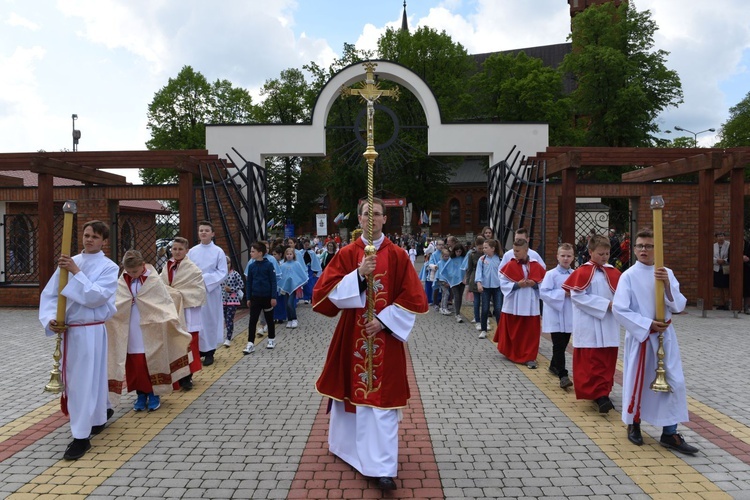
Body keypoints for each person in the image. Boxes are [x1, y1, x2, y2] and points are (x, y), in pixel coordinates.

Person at [312, 197, 428, 491]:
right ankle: (349, 450)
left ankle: (382, 466)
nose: (372, 219)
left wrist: (385, 320)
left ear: (384, 219)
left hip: (384, 340)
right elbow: (323, 294)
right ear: (359, 219)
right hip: (352, 335)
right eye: (366, 214)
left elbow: (413, 297)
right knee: (351, 394)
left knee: (383, 401)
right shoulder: (348, 253)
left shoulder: (399, 255)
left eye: (377, 214)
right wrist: (359, 275)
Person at [612, 228, 699, 454]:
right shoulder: (628, 276)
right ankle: (634, 424)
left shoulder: (665, 272)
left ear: (656, 249)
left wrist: (668, 286)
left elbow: (678, 306)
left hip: (665, 337)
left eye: (649, 246)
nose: (643, 250)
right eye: (640, 246)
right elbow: (620, 309)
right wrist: (646, 324)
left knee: (674, 383)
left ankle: (670, 432)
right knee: (639, 381)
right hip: (642, 338)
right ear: (634, 249)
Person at [39, 220, 119, 461]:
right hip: (72, 330)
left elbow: (96, 297)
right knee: (82, 380)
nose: (89, 239)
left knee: (85, 380)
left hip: (92, 330)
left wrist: (76, 272)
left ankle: (81, 437)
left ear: (104, 240)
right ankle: (96, 418)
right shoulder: (69, 262)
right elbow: (51, 294)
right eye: (86, 235)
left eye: (95, 236)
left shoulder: (109, 267)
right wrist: (52, 318)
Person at [107, 250, 191, 413]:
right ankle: (140, 394)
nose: (132, 274)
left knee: (150, 359)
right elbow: (116, 301)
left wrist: (169, 317)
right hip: (131, 327)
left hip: (152, 327)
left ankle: (154, 393)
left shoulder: (153, 280)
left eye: (135, 271)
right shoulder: (123, 281)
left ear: (142, 265)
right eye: (129, 272)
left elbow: (163, 301)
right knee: (134, 361)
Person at [562, 234, 621, 413]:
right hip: (590, 323)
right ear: (590, 252)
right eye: (600, 254)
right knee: (592, 359)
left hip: (609, 323)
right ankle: (597, 394)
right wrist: (605, 305)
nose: (604, 257)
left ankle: (604, 392)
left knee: (606, 359)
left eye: (607, 254)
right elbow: (578, 297)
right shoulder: (582, 271)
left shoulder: (614, 272)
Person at [160, 236, 206, 391]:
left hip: (187, 312)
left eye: (180, 249)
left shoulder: (193, 270)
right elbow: (161, 285)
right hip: (172, 311)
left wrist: (177, 294)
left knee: (188, 343)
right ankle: (176, 376)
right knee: (174, 342)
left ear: (187, 251)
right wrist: (170, 294)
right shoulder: (167, 266)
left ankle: (188, 377)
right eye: (174, 249)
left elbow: (198, 292)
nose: (177, 252)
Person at [496, 238, 545, 368]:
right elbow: (503, 283)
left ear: (526, 250)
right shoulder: (510, 264)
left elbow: (544, 285)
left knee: (530, 333)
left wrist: (534, 285)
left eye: (517, 251)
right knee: (515, 331)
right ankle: (513, 353)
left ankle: (529, 357)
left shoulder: (535, 265)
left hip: (530, 305)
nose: (515, 253)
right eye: (514, 250)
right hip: (514, 303)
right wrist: (517, 285)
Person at [187, 221, 228, 366]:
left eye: (206, 230)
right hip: (195, 292)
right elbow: (187, 270)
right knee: (196, 321)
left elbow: (223, 272)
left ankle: (210, 352)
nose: (203, 233)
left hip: (211, 292)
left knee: (210, 321)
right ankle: (198, 351)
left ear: (212, 234)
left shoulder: (218, 251)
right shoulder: (192, 251)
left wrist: (204, 279)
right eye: (201, 230)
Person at [539, 243, 575, 388]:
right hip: (555, 314)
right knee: (558, 345)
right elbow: (544, 293)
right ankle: (563, 375)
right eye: (563, 256)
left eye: (569, 256)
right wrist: (563, 293)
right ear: (557, 257)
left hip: (569, 314)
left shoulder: (575, 274)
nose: (565, 259)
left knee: (563, 344)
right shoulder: (551, 274)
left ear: (573, 257)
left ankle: (554, 366)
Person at [243, 242, 278, 353]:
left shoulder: (269, 265)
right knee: (252, 320)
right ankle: (250, 343)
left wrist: (273, 297)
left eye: (253, 251)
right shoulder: (251, 266)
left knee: (269, 319)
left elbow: (273, 281)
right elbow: (249, 283)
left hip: (267, 297)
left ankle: (271, 339)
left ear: (260, 253)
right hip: (255, 297)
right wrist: (248, 297)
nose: (251, 253)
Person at [475, 238, 502, 339]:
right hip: (485, 287)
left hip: (497, 287)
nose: (484, 249)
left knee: (498, 309)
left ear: (493, 249)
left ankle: (500, 332)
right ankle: (483, 330)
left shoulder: (500, 259)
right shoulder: (482, 259)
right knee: (485, 309)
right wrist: (479, 283)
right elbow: (478, 272)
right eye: (483, 247)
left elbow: (503, 273)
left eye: (486, 248)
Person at [279, 246, 308, 329]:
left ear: (293, 255)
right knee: (286, 304)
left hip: (293, 287)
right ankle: (289, 320)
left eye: (290, 254)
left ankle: (294, 319)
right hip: (285, 287)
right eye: (287, 254)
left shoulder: (296, 264)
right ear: (285, 255)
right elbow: (281, 276)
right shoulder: (283, 265)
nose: (289, 255)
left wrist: (298, 283)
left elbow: (301, 274)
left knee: (290, 303)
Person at [463, 235, 485, 329]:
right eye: (479, 248)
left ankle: (485, 319)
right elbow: (469, 268)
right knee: (476, 301)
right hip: (475, 277)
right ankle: (477, 319)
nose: (481, 250)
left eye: (482, 248)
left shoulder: (486, 254)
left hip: (485, 278)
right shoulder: (472, 254)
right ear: (475, 246)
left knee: (485, 300)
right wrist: (467, 282)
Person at [221, 257, 244, 347]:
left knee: (229, 319)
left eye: (228, 263)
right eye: (225, 263)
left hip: (232, 300)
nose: (227, 265)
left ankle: (228, 338)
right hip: (223, 300)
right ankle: (229, 333)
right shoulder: (220, 275)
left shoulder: (235, 274)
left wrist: (232, 289)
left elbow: (241, 284)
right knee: (225, 319)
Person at [301, 238, 322, 304]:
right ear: (303, 245)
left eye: (308, 245)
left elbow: (315, 262)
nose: (306, 246)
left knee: (311, 284)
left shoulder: (312, 252)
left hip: (311, 269)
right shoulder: (301, 252)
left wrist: (315, 272)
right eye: (305, 245)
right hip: (303, 269)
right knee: (305, 284)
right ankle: (306, 298)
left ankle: (311, 297)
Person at [712, 231, 730, 310]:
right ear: (716, 238)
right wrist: (716, 260)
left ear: (724, 237)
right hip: (717, 268)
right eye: (719, 236)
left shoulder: (728, 245)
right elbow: (710, 256)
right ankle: (721, 303)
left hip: (726, 268)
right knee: (719, 287)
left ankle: (727, 303)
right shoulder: (714, 246)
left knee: (726, 287)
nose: (720, 238)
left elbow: (731, 255)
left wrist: (724, 260)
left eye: (722, 236)